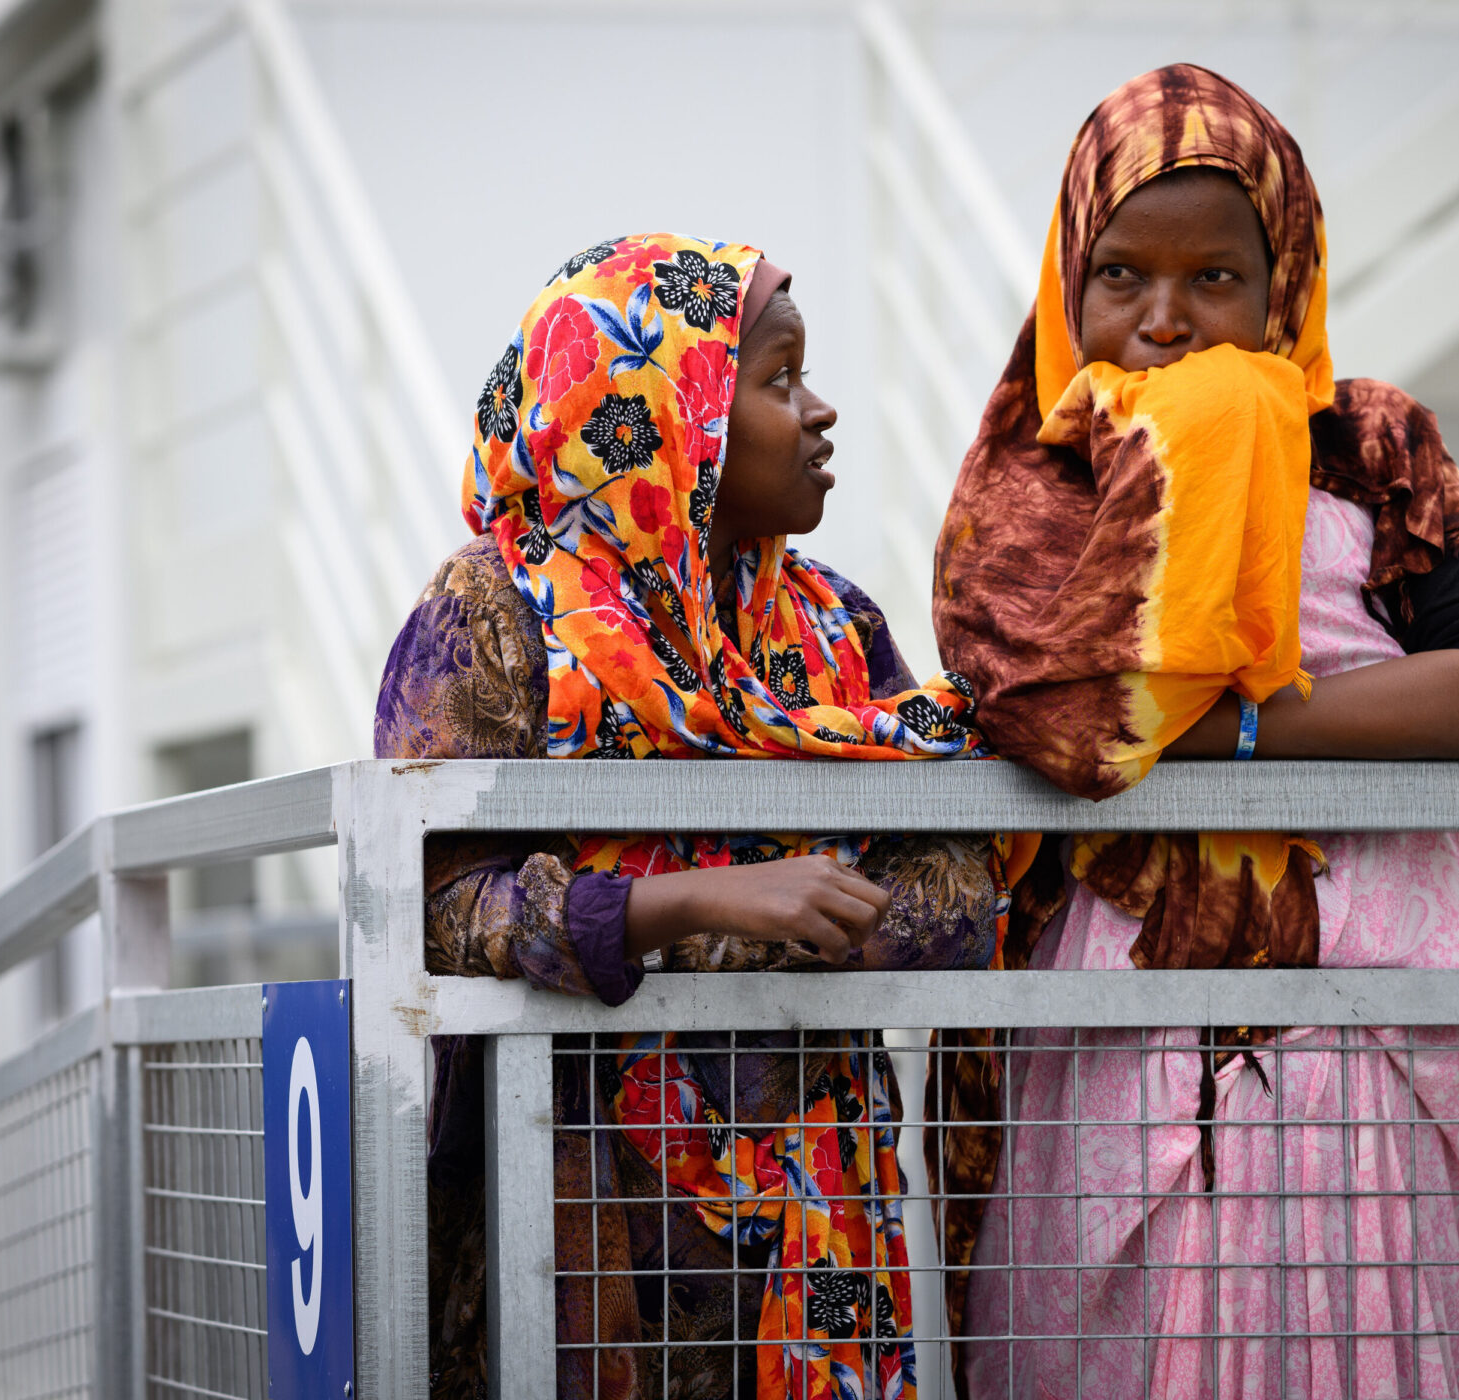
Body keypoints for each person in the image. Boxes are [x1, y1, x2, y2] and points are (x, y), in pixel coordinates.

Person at [928, 67, 1459, 1398]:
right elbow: (1042, 710)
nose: (1164, 320)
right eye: (1120, 276)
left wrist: (1229, 728)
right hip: (1121, 1024)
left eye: (1214, 278)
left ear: (1282, 282)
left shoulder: (1368, 444)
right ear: (1069, 280)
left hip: (1359, 1027)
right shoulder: (1034, 477)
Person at [377, 232, 1006, 1400]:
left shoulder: (834, 630)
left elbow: (963, 879)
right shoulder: (498, 613)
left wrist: (842, 920)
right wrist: (691, 903)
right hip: (580, 1194)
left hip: (820, 1192)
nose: (820, 412)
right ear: (667, 417)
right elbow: (429, 902)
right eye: (776, 381)